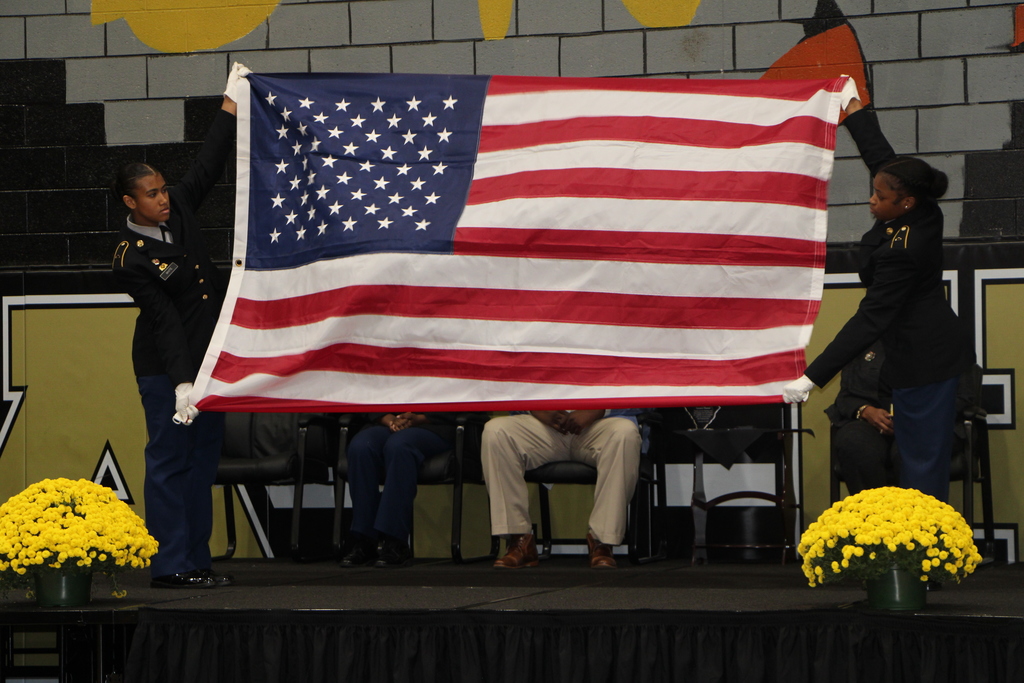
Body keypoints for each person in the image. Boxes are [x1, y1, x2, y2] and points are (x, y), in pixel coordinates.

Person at [784, 91, 974, 503]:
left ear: (904, 202)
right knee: (914, 455)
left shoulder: (902, 253)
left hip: (928, 359)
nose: (872, 198)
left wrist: (811, 376)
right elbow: (884, 162)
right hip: (914, 352)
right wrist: (856, 115)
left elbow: (868, 320)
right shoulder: (922, 208)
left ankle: (925, 559)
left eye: (880, 196)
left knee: (921, 462)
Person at [111, 64, 249, 588]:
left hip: (208, 364)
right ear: (130, 202)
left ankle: (197, 560)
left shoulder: (182, 208)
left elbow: (209, 163)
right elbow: (165, 322)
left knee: (202, 462)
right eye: (151, 194)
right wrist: (181, 384)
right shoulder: (131, 257)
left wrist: (230, 101)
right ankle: (169, 564)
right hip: (167, 371)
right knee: (169, 461)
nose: (163, 198)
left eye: (164, 189)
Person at [482, 409, 642, 569]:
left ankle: (603, 543)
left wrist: (599, 410)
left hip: (600, 424)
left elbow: (645, 392)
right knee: (496, 430)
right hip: (541, 425)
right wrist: (535, 408)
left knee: (624, 432)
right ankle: (518, 541)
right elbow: (512, 389)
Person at [339, 411, 458, 568]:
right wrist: (389, 419)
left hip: (434, 426)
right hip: (385, 423)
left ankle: (395, 541)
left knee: (399, 445)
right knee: (360, 447)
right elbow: (366, 396)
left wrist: (420, 418)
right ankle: (364, 540)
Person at [825, 341, 899, 495]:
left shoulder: (938, 339)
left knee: (909, 451)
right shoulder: (865, 341)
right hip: (870, 423)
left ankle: (915, 515)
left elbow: (959, 396)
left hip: (922, 422)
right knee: (853, 441)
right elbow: (845, 397)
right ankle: (871, 513)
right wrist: (865, 411)